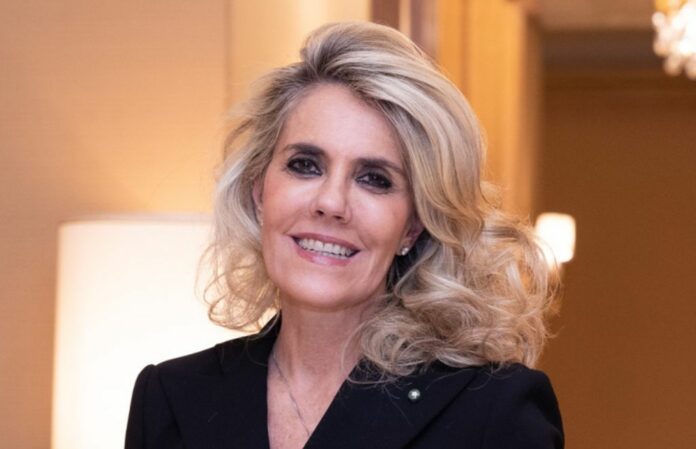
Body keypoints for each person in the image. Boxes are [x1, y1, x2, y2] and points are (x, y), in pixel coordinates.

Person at [125, 22, 563, 449]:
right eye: (305, 165)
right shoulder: (171, 398)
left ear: (413, 226)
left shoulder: (492, 410)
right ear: (260, 191)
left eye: (374, 179)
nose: (331, 202)